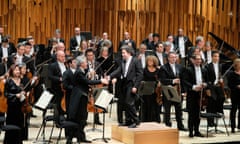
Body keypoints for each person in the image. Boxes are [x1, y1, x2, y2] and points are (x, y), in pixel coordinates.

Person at [67, 56, 108, 143]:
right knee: (80, 118)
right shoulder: (78, 73)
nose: (87, 64)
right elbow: (87, 82)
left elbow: (85, 82)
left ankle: (80, 137)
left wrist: (90, 76)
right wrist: (101, 81)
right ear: (81, 64)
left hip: (82, 97)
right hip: (79, 98)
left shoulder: (81, 71)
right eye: (85, 62)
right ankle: (74, 137)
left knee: (82, 119)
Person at [109, 45, 143, 128]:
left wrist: (135, 86)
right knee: (125, 103)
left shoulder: (135, 61)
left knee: (129, 103)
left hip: (132, 84)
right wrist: (109, 76)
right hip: (124, 84)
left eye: (124, 53)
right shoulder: (123, 62)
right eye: (122, 53)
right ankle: (128, 121)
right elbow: (118, 71)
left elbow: (140, 74)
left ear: (128, 53)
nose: (122, 54)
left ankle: (135, 120)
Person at [159, 52, 187, 131]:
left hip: (178, 91)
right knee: (167, 110)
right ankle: (167, 125)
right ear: (168, 58)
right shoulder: (163, 67)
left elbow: (183, 80)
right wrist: (173, 81)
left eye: (175, 57)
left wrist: (184, 91)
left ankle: (180, 126)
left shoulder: (180, 67)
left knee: (179, 110)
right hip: (168, 91)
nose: (173, 59)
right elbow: (162, 80)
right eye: (172, 57)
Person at [183, 54, 207, 137]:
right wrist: (193, 87)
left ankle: (197, 131)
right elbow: (185, 81)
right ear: (193, 60)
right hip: (192, 93)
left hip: (200, 94)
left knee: (198, 114)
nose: (198, 61)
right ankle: (190, 131)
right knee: (191, 114)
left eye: (200, 59)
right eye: (197, 59)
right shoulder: (188, 69)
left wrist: (205, 84)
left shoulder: (204, 69)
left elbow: (206, 80)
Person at [4, 64, 25, 144]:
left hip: (20, 107)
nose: (17, 71)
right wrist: (15, 95)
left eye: (18, 70)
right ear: (12, 71)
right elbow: (6, 94)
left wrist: (23, 93)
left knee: (19, 126)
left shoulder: (21, 80)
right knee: (12, 126)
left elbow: (22, 91)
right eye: (15, 70)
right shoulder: (9, 81)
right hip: (12, 107)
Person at [205, 51, 225, 126]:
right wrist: (207, 89)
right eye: (215, 56)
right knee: (211, 104)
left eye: (218, 56)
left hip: (218, 86)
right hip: (211, 87)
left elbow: (219, 75)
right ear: (212, 57)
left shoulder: (220, 66)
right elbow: (206, 79)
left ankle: (218, 111)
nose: (217, 58)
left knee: (222, 97)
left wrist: (221, 79)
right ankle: (210, 122)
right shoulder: (208, 66)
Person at [141, 55, 161, 123]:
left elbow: (160, 79)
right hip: (147, 91)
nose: (150, 62)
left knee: (155, 106)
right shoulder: (144, 70)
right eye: (149, 61)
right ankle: (146, 120)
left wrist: (159, 83)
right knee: (147, 106)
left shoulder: (158, 70)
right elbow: (142, 79)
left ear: (154, 61)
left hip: (156, 91)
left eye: (151, 61)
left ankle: (155, 120)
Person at [227, 58, 240, 133]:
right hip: (235, 94)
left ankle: (239, 126)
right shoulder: (231, 74)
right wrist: (237, 86)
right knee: (234, 110)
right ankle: (232, 126)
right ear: (236, 65)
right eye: (238, 64)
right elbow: (229, 85)